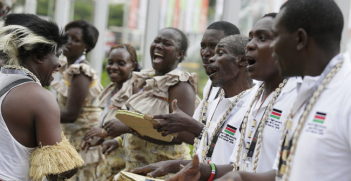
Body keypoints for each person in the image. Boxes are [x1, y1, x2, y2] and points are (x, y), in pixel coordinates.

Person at [217, 0, 349, 181]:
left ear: (300, 39)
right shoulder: (307, 89)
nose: (272, 47)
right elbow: (286, 172)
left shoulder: (345, 92)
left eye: (275, 37)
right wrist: (239, 177)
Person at [165, 13, 299, 181]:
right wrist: (203, 171)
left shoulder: (298, 99)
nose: (250, 45)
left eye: (262, 38)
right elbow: (237, 164)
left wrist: (238, 177)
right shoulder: (252, 99)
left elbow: (294, 172)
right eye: (250, 38)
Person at [133, 34, 254, 177]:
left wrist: (191, 125)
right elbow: (208, 156)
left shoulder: (253, 106)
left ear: (243, 60)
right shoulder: (215, 102)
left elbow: (245, 167)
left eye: (219, 53)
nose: (210, 58)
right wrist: (169, 165)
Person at [0, 14, 83, 181]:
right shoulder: (40, 98)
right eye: (57, 54)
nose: (60, 63)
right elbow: (57, 172)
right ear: (38, 56)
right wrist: (71, 163)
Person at [103, 27, 197, 174]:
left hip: (163, 173)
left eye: (167, 43)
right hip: (139, 169)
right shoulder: (146, 79)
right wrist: (119, 140)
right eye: (157, 41)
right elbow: (141, 122)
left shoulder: (180, 84)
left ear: (180, 54)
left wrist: (129, 128)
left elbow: (182, 136)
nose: (159, 46)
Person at [51, 19, 103, 181]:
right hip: (73, 137)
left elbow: (71, 114)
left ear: (85, 46)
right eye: (67, 37)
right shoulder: (69, 67)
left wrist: (39, 113)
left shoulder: (81, 71)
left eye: (76, 40)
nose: (69, 42)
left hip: (82, 140)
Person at [82, 44, 141, 180]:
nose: (113, 67)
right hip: (111, 162)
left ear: (133, 65)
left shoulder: (136, 90)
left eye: (121, 63)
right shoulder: (112, 90)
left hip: (128, 163)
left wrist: (104, 132)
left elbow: (139, 127)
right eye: (110, 62)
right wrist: (99, 138)